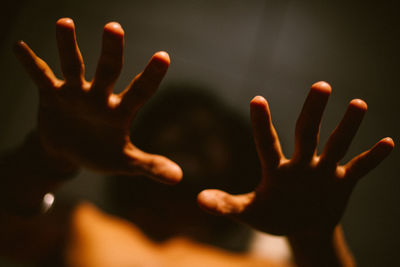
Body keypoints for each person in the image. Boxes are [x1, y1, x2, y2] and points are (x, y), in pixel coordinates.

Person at [0, 18, 394, 267]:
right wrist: (43, 158)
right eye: (180, 125)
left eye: (210, 134)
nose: (192, 135)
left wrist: (314, 238)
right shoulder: (75, 223)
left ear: (239, 166)